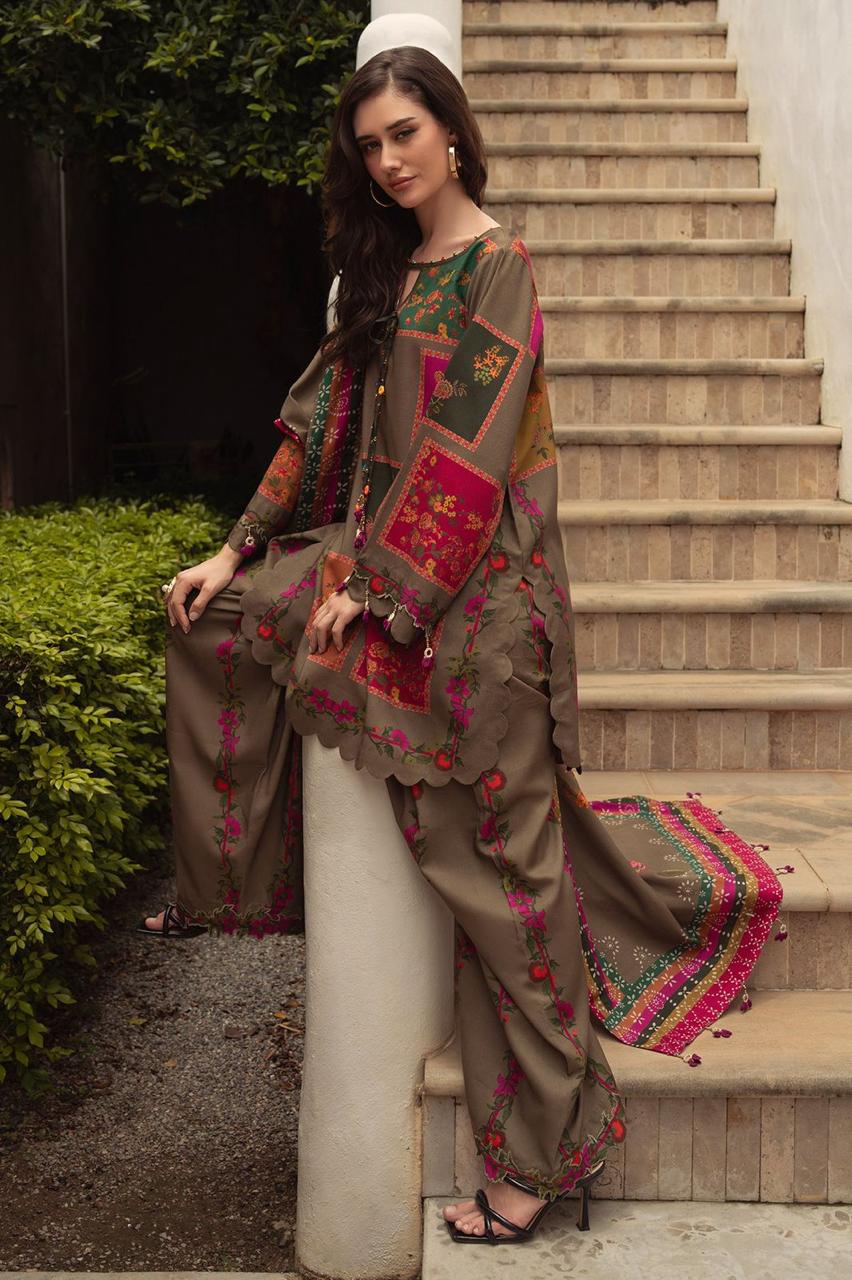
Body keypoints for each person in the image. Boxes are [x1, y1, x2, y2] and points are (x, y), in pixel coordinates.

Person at [138, 46, 782, 1245]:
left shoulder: (499, 269)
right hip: (390, 579)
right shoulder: (385, 273)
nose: (387, 161)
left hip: (483, 608)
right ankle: (242, 890)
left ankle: (550, 1144)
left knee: (502, 874)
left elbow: (468, 454)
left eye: (404, 135)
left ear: (451, 129)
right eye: (370, 145)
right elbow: (317, 417)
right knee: (216, 620)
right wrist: (238, 550)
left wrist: (382, 591)